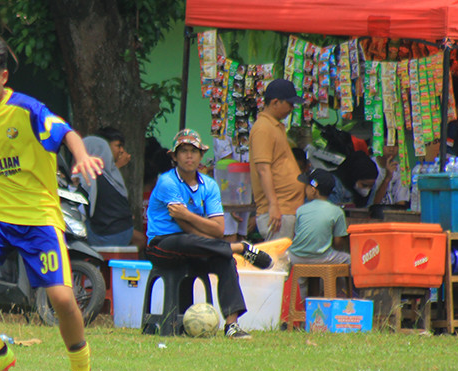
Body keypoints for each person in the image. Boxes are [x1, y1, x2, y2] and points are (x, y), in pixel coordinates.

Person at [0, 34, 105, 371]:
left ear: (3, 76)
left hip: (38, 220)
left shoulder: (28, 110)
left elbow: (67, 133)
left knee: (63, 301)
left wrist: (80, 156)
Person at [146, 129, 273, 341]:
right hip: (163, 245)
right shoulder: (167, 182)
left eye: (194, 151)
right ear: (174, 157)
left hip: (199, 246)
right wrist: (199, 226)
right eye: (184, 151)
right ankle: (240, 248)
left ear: (201, 156)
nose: (189, 156)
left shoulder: (209, 185)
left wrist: (189, 215)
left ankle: (232, 325)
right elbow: (184, 226)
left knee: (224, 259)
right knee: (184, 240)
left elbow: (218, 229)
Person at [249, 78, 305, 240]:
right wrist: (273, 205)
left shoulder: (274, 126)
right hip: (278, 210)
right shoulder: (263, 128)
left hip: (286, 208)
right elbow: (263, 169)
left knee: (284, 261)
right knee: (278, 262)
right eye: (289, 104)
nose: (291, 109)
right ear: (275, 102)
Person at [82, 128, 146, 251]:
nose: (122, 151)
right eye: (118, 146)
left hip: (107, 234)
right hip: (124, 231)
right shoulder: (110, 173)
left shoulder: (90, 174)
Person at [288, 169, 350, 266]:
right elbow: (338, 243)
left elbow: (297, 234)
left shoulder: (301, 209)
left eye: (307, 186)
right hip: (322, 258)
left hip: (295, 257)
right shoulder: (337, 211)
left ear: (313, 191)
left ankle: (305, 281)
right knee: (348, 259)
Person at [371, 144, 410, 208]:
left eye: (395, 145)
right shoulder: (370, 165)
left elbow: (401, 202)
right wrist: (388, 177)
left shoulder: (400, 169)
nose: (391, 149)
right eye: (386, 144)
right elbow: (373, 204)